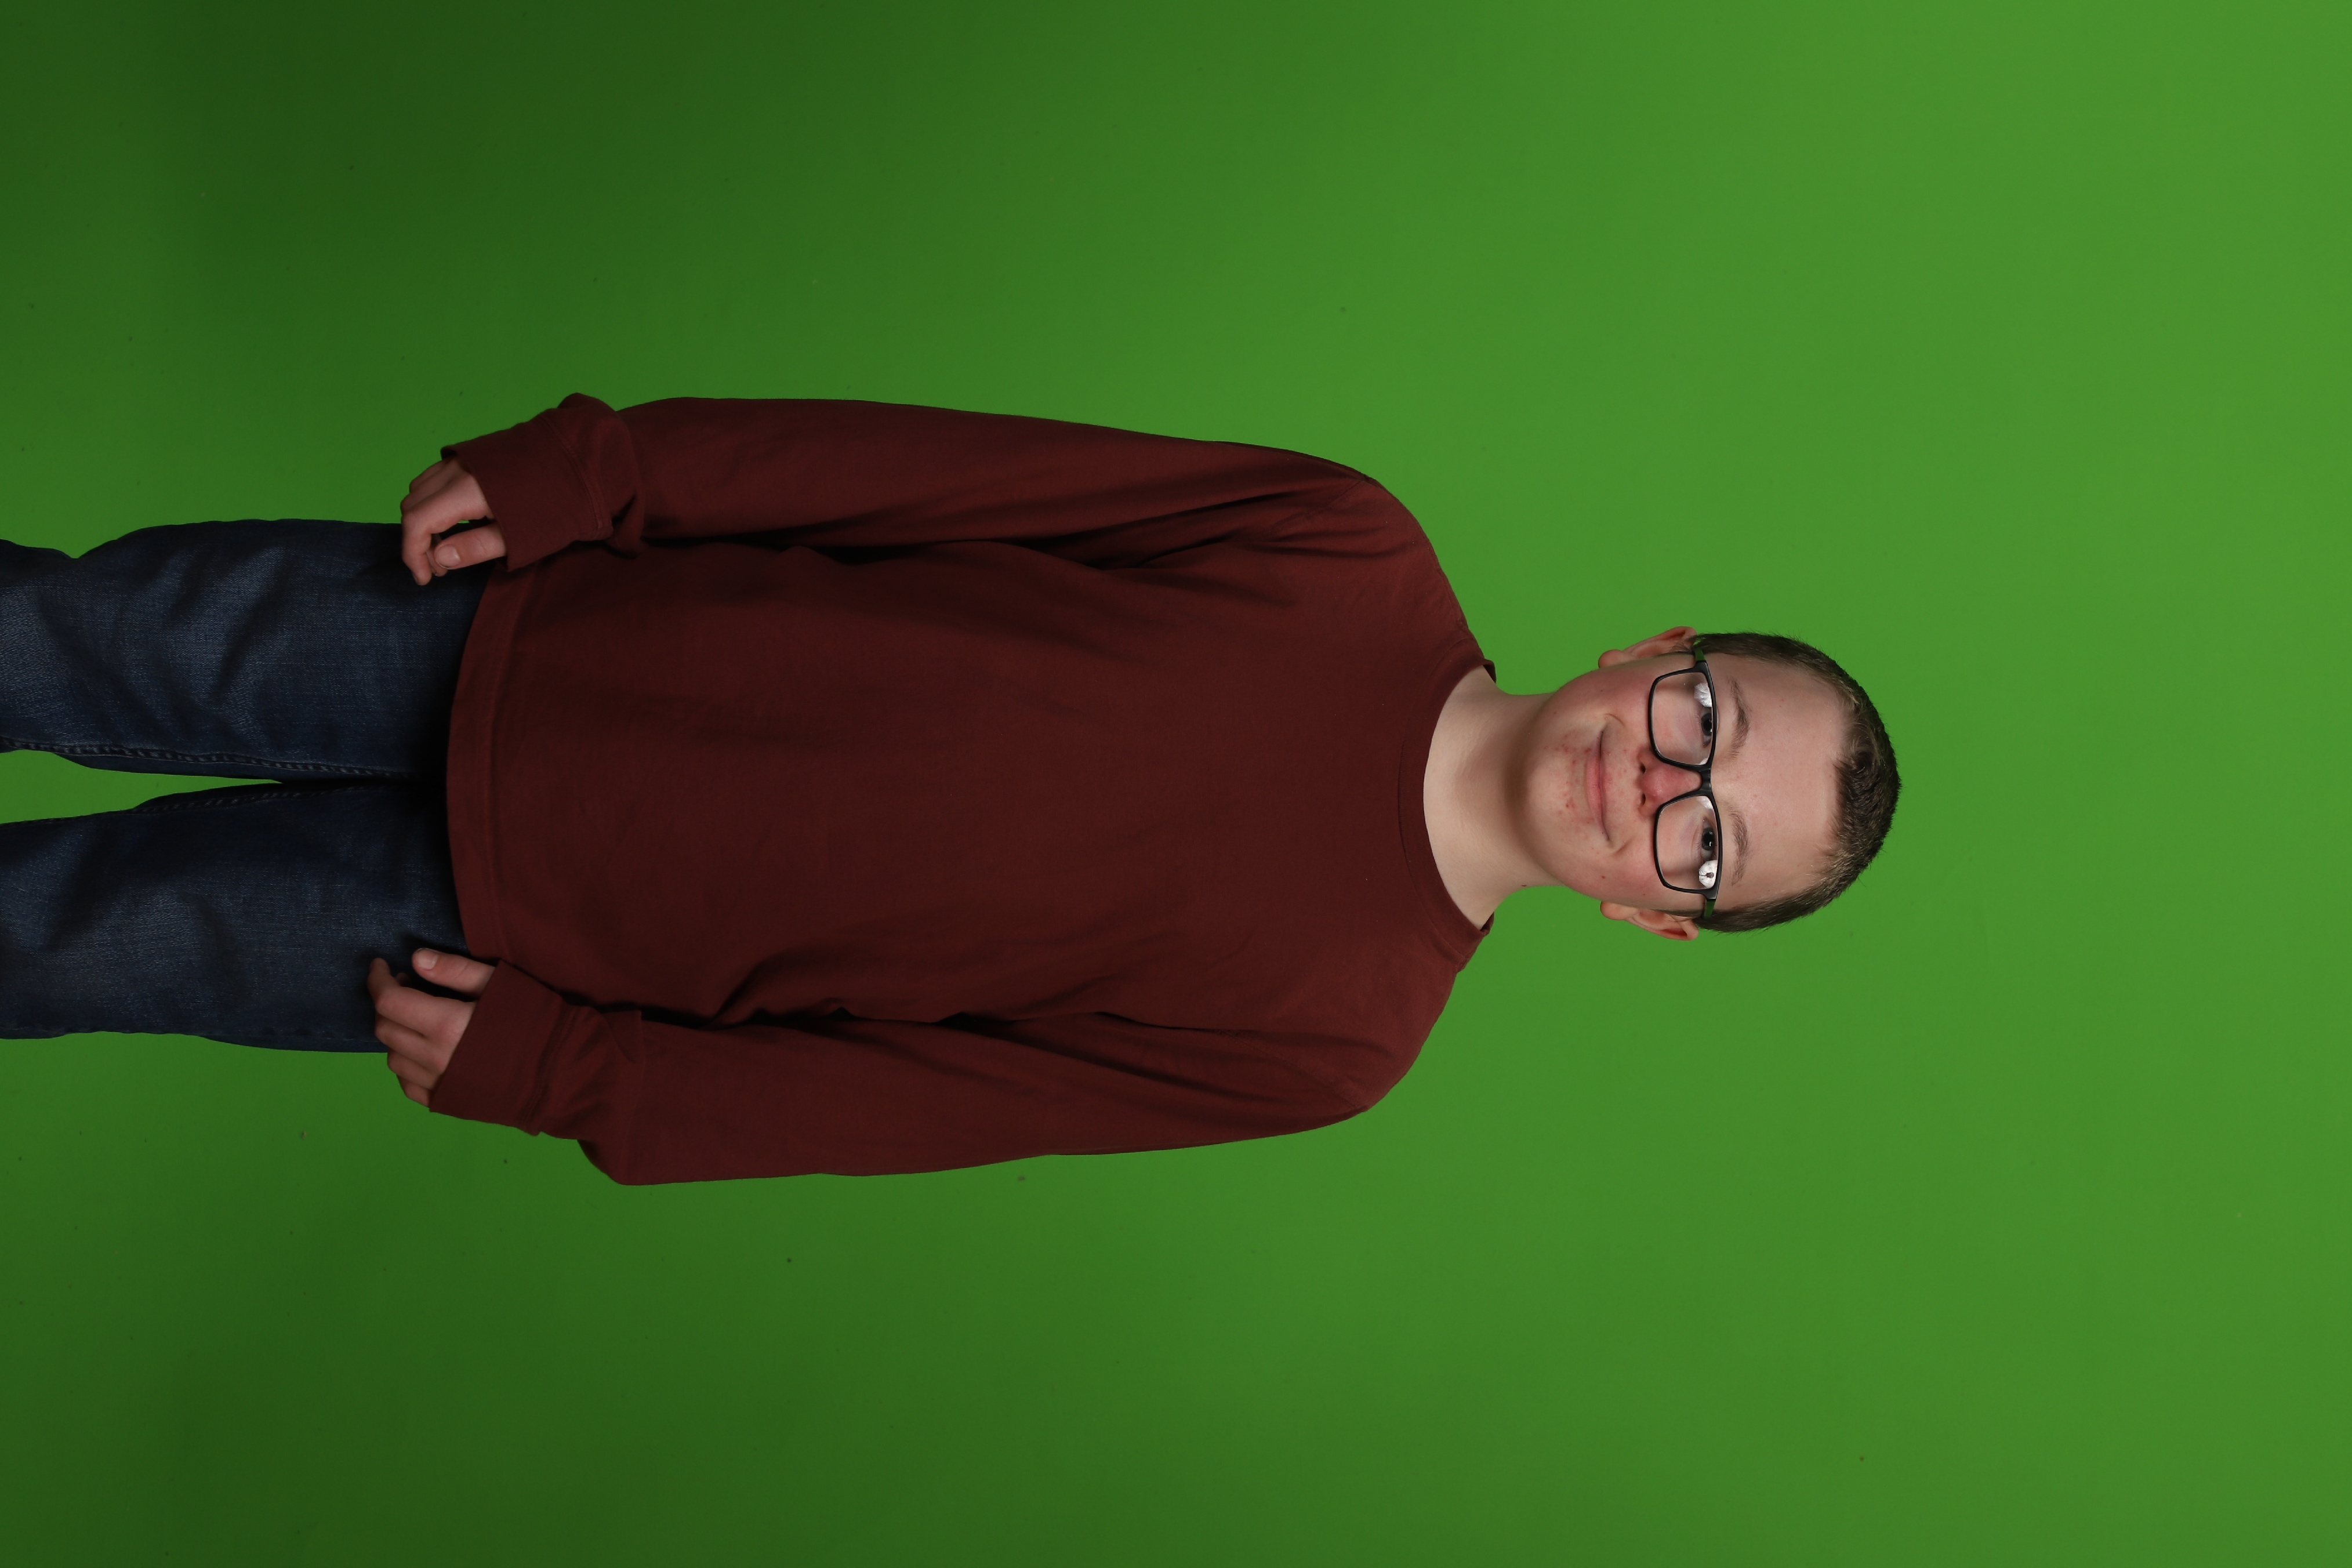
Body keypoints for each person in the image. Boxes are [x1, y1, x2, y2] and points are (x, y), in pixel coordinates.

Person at [0, 395, 1898, 1182]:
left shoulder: (1336, 1045)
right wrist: (607, 473)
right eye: (1706, 716)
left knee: (64, 940)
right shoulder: (1344, 547)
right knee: (70, 636)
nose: (1659, 780)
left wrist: (581, 1078)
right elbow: (926, 477)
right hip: (528, 625)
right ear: (1657, 648)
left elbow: (918, 1103)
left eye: (1706, 840)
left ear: (1659, 916)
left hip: (513, 944)